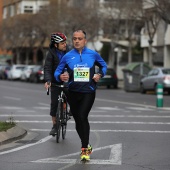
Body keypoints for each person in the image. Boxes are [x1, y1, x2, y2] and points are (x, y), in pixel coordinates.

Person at [54, 30, 107, 161]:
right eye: (74, 39)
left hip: (88, 91)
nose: (77, 41)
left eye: (80, 38)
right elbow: (57, 72)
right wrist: (60, 76)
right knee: (78, 120)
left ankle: (84, 149)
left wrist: (99, 75)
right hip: (73, 92)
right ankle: (87, 144)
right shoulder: (67, 56)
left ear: (85, 41)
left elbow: (104, 66)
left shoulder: (93, 54)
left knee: (83, 116)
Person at [44, 32, 70, 136]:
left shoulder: (69, 52)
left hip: (67, 80)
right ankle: (55, 125)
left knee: (72, 95)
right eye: (62, 43)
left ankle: (69, 111)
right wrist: (48, 80)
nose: (65, 44)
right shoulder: (51, 53)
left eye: (65, 42)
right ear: (56, 45)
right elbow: (47, 68)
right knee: (54, 103)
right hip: (55, 81)